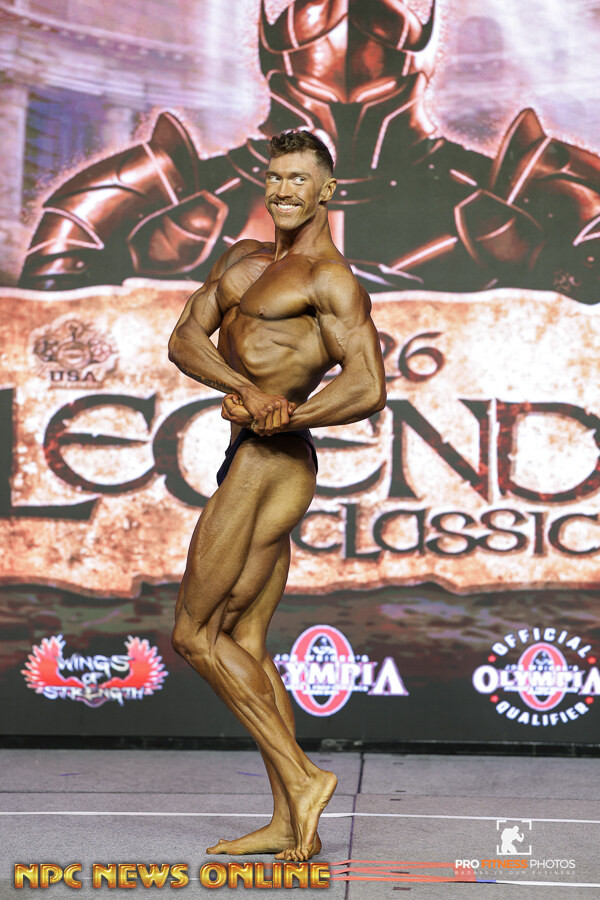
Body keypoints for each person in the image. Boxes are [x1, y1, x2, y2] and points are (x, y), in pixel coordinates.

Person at [168, 129, 386, 862]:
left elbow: (368, 386)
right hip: (248, 448)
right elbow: (184, 338)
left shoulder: (330, 280)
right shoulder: (244, 258)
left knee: (196, 634)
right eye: (275, 177)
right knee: (246, 643)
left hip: (273, 462)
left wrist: (286, 415)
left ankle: (303, 777)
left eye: (299, 179)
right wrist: (246, 389)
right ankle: (293, 824)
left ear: (327, 191)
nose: (284, 189)